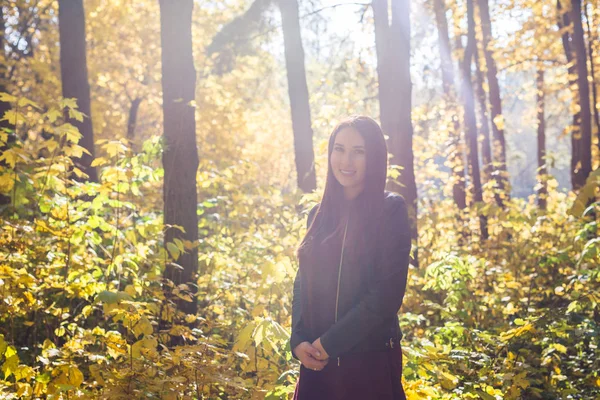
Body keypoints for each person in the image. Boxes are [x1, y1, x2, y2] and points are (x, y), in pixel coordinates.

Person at [290, 115, 411, 399]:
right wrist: (298, 341)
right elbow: (301, 282)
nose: (346, 160)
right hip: (317, 362)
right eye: (339, 149)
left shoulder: (390, 210)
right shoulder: (318, 215)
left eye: (359, 151)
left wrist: (331, 343)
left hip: (368, 362)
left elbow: (386, 295)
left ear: (375, 157)